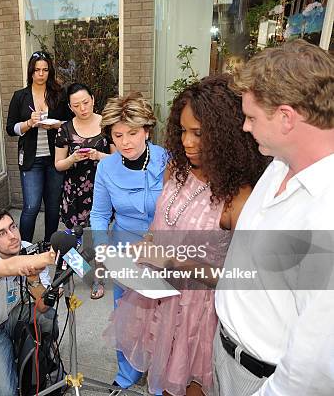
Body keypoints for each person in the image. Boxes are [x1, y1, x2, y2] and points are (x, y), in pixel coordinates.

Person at [103, 75, 269, 396]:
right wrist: (143, 248)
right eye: (182, 131)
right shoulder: (175, 170)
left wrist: (173, 261)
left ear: (226, 135)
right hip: (159, 299)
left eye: (199, 133)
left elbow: (242, 279)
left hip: (201, 316)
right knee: (163, 382)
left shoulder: (240, 197)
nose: (188, 142)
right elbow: (158, 226)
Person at [214, 40, 334, 395]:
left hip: (264, 381)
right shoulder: (279, 162)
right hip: (228, 356)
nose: (245, 128)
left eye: (251, 117)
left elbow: (316, 366)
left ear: (286, 117)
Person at [89, 92, 167, 389]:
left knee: (163, 321)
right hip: (124, 251)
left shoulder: (169, 160)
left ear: (147, 130)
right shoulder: (107, 167)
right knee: (127, 319)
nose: (126, 142)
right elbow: (98, 214)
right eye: (118, 135)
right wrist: (103, 251)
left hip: (163, 251)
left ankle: (160, 379)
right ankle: (127, 374)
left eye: (133, 133)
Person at [0, 209, 58, 396]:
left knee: (48, 316)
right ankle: (9, 354)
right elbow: (9, 266)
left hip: (15, 314)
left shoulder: (27, 248)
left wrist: (34, 278)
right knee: (6, 393)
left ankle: (41, 353)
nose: (12, 236)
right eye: (1, 234)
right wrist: (50, 256)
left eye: (13, 227)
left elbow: (43, 306)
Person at [5, 51, 73, 244]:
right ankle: (25, 245)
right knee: (31, 206)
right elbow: (11, 128)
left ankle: (48, 244)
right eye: (37, 70)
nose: (41, 74)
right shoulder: (20, 96)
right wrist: (28, 123)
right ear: (31, 72)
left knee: (52, 206)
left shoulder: (59, 95)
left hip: (55, 157)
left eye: (45, 70)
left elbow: (70, 123)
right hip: (31, 160)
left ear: (49, 71)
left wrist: (55, 124)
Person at [54, 82, 113, 299]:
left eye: (86, 102)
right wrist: (72, 158)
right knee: (71, 239)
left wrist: (98, 156)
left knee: (97, 237)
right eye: (76, 105)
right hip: (74, 192)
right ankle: (69, 275)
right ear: (70, 107)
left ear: (93, 99)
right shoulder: (65, 129)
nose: (83, 108)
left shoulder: (107, 125)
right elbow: (58, 164)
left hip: (101, 191)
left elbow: (119, 159)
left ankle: (96, 278)